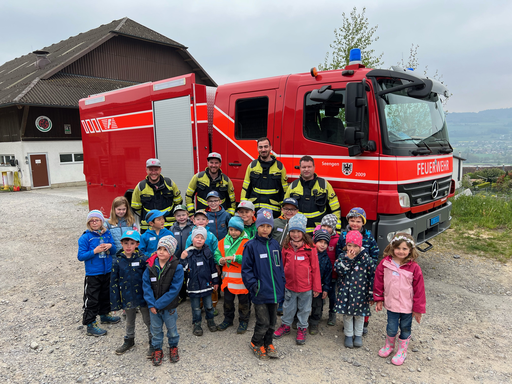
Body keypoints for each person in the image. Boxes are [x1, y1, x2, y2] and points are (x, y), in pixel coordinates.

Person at [373, 233, 426, 366]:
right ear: (392, 248)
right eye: (398, 248)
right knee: (391, 327)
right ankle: (389, 346)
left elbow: (419, 290)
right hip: (391, 304)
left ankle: (402, 351)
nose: (401, 251)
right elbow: (378, 282)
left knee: (405, 328)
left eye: (404, 249)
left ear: (410, 250)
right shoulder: (385, 264)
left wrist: (418, 309)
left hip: (407, 307)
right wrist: (378, 299)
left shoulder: (414, 268)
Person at [242, 209, 285, 360]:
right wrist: (254, 286)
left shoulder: (275, 245)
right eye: (262, 226)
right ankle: (256, 342)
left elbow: (279, 267)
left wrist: (282, 284)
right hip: (260, 291)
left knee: (272, 322)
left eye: (268, 226)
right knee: (263, 321)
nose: (265, 229)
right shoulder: (251, 246)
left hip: (275, 291)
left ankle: (268, 342)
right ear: (257, 227)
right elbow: (246, 270)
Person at [274, 214, 321, 345]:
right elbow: (282, 266)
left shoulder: (310, 248)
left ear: (303, 232)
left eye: (298, 231)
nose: (295, 234)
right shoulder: (286, 247)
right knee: (288, 307)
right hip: (289, 285)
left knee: (304, 309)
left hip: (306, 287)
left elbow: (315, 268)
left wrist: (317, 287)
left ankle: (302, 328)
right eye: (293, 231)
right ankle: (286, 325)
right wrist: (280, 283)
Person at [336, 207, 379, 333]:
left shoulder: (368, 236)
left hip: (363, 273)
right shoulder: (343, 235)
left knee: (362, 298)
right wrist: (343, 260)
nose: (355, 224)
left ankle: (363, 323)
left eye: (358, 221)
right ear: (348, 221)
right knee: (348, 297)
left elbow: (374, 251)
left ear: (363, 222)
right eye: (352, 220)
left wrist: (372, 266)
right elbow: (339, 250)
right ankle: (348, 325)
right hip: (347, 273)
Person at [77, 210, 120, 337]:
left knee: (105, 295)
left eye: (97, 220)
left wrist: (109, 246)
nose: (94, 223)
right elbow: (80, 256)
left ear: (102, 221)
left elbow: (113, 250)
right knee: (92, 298)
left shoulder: (106, 234)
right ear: (88, 223)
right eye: (92, 221)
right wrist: (94, 251)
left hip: (106, 270)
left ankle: (104, 315)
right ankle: (90, 323)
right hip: (93, 273)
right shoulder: (85, 237)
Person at [142, 236, 184, 366]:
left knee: (172, 329)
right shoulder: (150, 265)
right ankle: (157, 349)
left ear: (171, 252)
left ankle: (173, 347)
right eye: (159, 248)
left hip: (169, 307)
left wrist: (158, 304)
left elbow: (174, 289)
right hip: (153, 307)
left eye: (165, 249)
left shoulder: (177, 267)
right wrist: (151, 304)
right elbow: (146, 286)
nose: (161, 252)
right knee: (155, 329)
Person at [110, 230, 151, 356]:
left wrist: (151, 297)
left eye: (132, 243)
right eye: (126, 243)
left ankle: (153, 341)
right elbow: (114, 283)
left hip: (143, 296)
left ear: (137, 244)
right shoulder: (117, 261)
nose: (128, 246)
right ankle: (129, 340)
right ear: (121, 243)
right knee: (129, 319)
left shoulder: (143, 259)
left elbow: (149, 279)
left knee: (148, 320)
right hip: (127, 296)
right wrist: (115, 303)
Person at [334, 231, 375, 349]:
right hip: (346, 291)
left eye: (355, 246)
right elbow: (339, 271)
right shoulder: (342, 256)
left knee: (359, 315)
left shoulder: (366, 258)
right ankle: (348, 335)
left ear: (360, 246)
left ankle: (358, 335)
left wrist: (371, 294)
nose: (352, 249)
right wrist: (348, 259)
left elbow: (372, 276)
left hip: (361, 293)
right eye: (349, 245)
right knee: (347, 315)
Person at [284, 155, 341, 233]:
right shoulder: (293, 186)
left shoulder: (324, 185)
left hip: (319, 231)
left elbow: (335, 208)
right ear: (300, 168)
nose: (306, 169)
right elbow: (285, 209)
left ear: (314, 167)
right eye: (304, 167)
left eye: (309, 167)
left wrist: (337, 230)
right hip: (299, 232)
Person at [214, 216, 251, 334]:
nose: (233, 232)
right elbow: (217, 254)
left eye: (236, 230)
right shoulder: (223, 241)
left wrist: (235, 258)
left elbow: (249, 258)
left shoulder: (248, 243)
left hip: (242, 281)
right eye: (231, 229)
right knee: (227, 302)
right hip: (228, 281)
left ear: (241, 230)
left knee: (243, 303)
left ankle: (244, 321)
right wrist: (220, 260)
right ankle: (228, 319)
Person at [180, 227, 219, 336]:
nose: (199, 240)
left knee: (209, 305)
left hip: (207, 284)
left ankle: (210, 321)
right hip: (193, 286)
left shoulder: (208, 252)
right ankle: (197, 323)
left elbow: (213, 268)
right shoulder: (188, 253)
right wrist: (182, 259)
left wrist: (215, 281)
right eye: (197, 237)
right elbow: (183, 270)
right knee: (196, 308)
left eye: (202, 238)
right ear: (192, 239)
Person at [240, 138, 288, 218]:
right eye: (260, 147)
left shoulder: (279, 167)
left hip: (274, 212)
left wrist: (284, 210)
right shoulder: (252, 166)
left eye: (266, 147)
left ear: (270, 148)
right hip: (255, 210)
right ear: (257, 149)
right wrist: (244, 208)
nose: (263, 149)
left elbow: (284, 191)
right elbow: (246, 188)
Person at [131, 158, 183, 232]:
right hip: (149, 227)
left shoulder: (169, 183)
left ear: (160, 170)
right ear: (146, 170)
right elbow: (135, 207)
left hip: (168, 225)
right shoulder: (141, 186)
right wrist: (149, 216)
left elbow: (178, 201)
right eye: (151, 170)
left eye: (156, 169)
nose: (153, 172)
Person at [308, 229, 333, 335]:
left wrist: (326, 288)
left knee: (317, 306)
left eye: (325, 243)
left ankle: (314, 322)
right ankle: (299, 320)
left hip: (320, 287)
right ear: (315, 241)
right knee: (303, 304)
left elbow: (328, 275)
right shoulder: (308, 253)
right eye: (320, 242)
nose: (323, 245)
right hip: (307, 286)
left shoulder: (326, 259)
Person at [318, 214, 340, 326]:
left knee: (332, 295)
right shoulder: (317, 236)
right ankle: (319, 312)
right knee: (320, 295)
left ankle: (332, 312)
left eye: (329, 226)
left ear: (334, 228)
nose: (326, 229)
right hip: (320, 273)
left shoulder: (337, 239)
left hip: (333, 273)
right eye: (324, 226)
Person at [169, 204, 194, 304]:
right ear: (175, 217)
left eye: (183, 215)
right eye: (178, 215)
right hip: (177, 258)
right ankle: (181, 294)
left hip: (190, 257)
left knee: (191, 275)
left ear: (187, 214)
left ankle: (191, 293)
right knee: (179, 276)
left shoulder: (192, 227)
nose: (181, 217)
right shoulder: (172, 228)